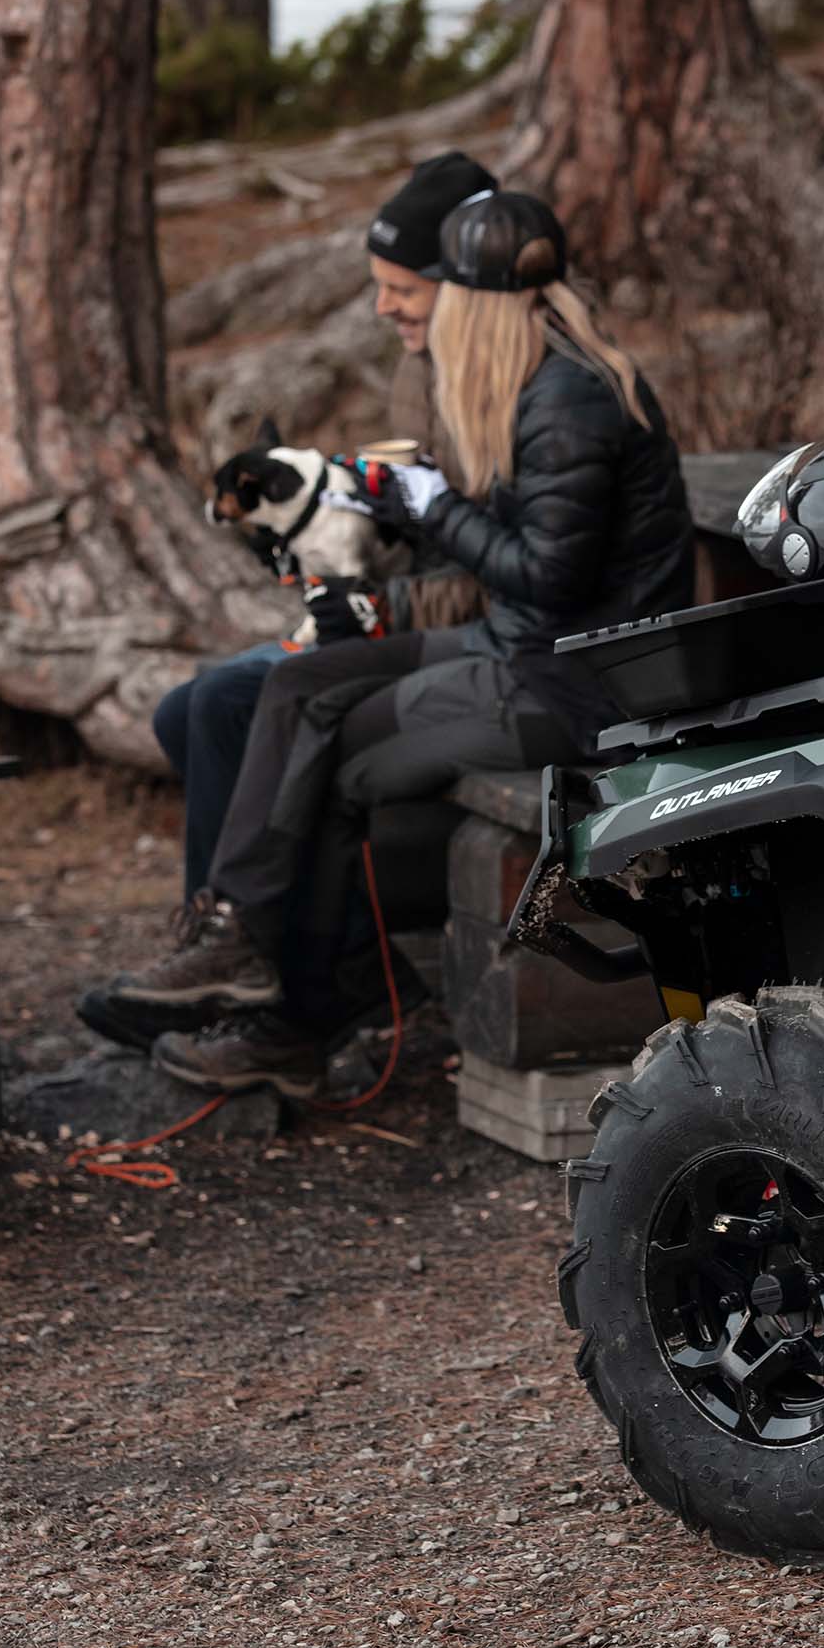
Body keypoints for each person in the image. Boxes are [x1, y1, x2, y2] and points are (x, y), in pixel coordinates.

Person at [132, 189, 697, 1099]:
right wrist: (396, 518)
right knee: (298, 688)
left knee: (341, 756)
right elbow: (519, 561)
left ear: (476, 304)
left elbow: (549, 574)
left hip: (571, 684)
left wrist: (434, 505)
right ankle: (235, 932)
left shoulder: (567, 399)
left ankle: (303, 1017)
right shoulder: (538, 381)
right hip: (516, 645)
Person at [77, 151, 497, 1046]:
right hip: (396, 617)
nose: (382, 308)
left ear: (460, 282)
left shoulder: (503, 391)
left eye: (402, 289)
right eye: (378, 287)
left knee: (231, 703)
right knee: (182, 709)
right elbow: (416, 532)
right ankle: (299, 966)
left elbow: (504, 570)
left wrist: (387, 607)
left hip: (454, 644)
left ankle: (262, 993)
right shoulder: (419, 374)